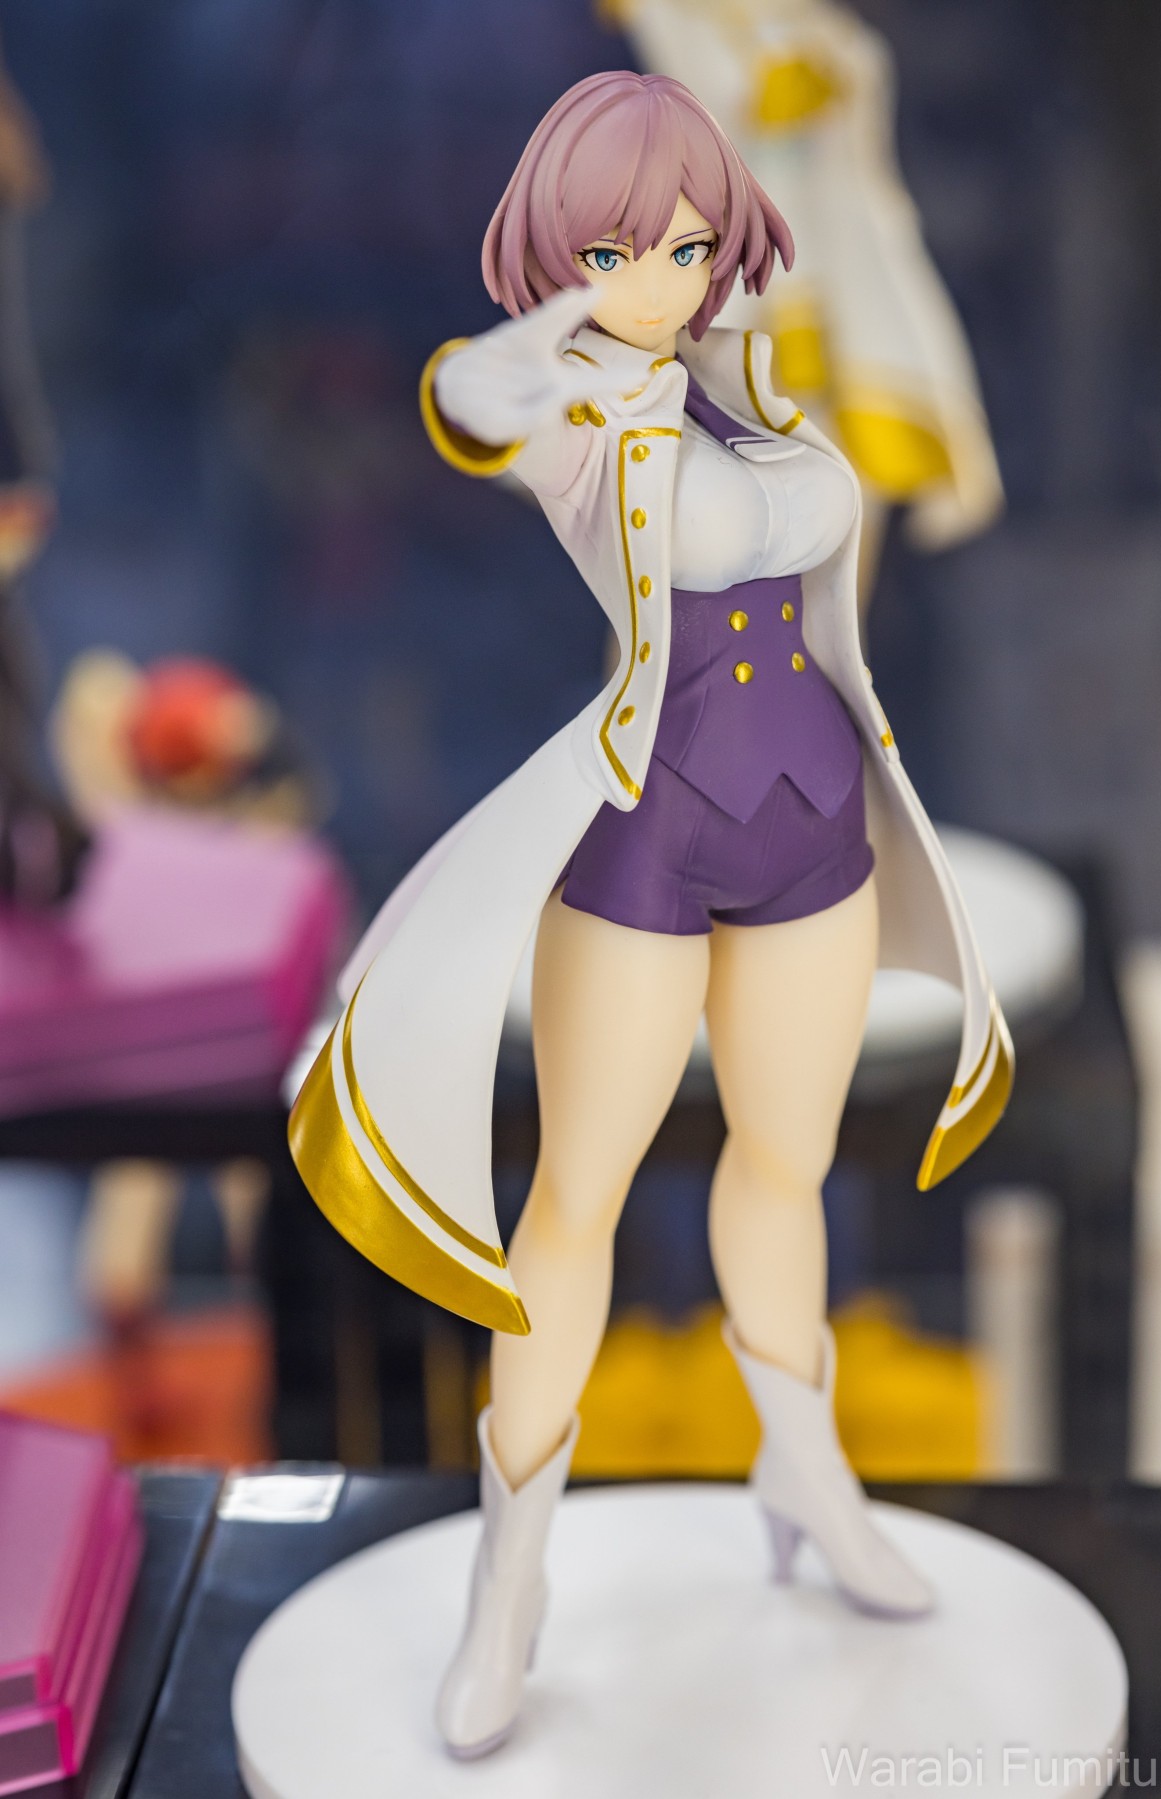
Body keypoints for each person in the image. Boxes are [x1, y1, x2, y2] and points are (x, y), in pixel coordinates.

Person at [288, 70, 1012, 1758]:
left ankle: (804, 1474)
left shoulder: (752, 381)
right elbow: (467, 403)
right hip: (646, 838)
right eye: (615, 252)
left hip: (818, 820)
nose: (658, 281)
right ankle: (511, 1583)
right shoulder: (577, 421)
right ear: (557, 258)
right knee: (578, 1206)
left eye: (684, 246)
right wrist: (529, 346)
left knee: (785, 1169)